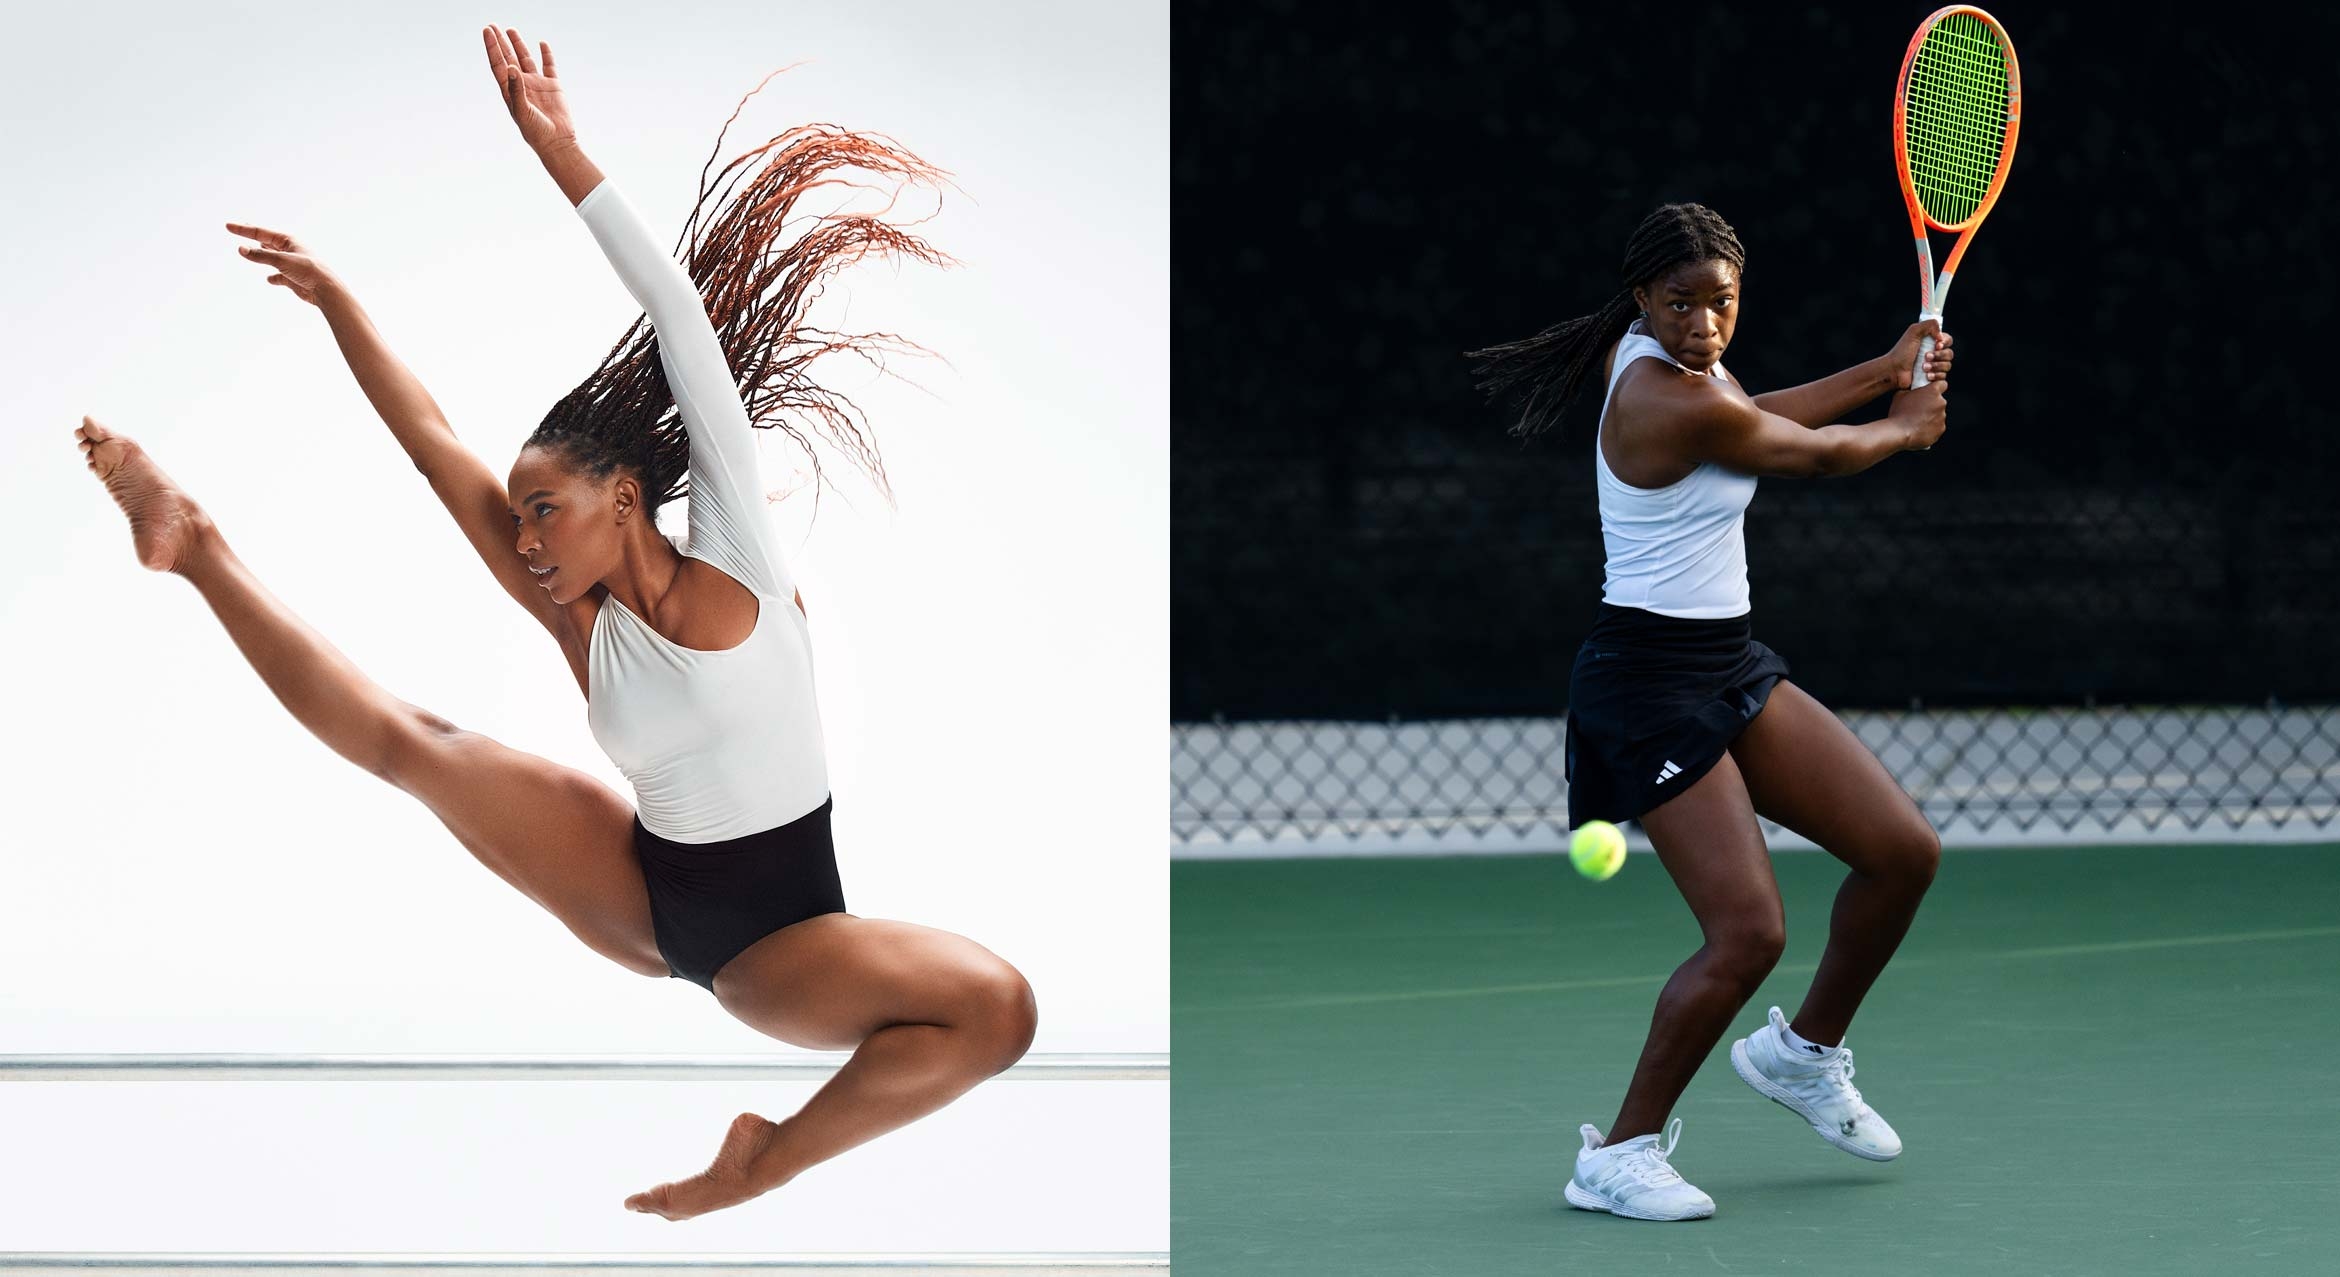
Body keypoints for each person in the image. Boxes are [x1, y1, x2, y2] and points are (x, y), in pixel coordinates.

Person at [71, 25, 1034, 1223]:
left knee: (999, 1006)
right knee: (411, 742)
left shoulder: (735, 550)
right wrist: (337, 303)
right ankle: (195, 541)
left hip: (777, 940)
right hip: (644, 890)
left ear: (623, 496)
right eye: (521, 514)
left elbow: (678, 314)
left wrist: (565, 157)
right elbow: (432, 445)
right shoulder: (572, 612)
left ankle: (764, 1160)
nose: (525, 538)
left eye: (545, 510)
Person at [1467, 202, 1951, 1222]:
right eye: (1680, 303)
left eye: (1720, 302)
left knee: (1902, 850)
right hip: (1646, 685)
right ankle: (1620, 1151)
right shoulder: (1659, 393)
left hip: (1725, 661)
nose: (1701, 324)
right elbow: (1800, 451)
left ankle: (1803, 1055)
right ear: (1642, 297)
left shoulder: (1694, 373)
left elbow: (1755, 406)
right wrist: (1901, 426)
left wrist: (1880, 365)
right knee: (1748, 930)